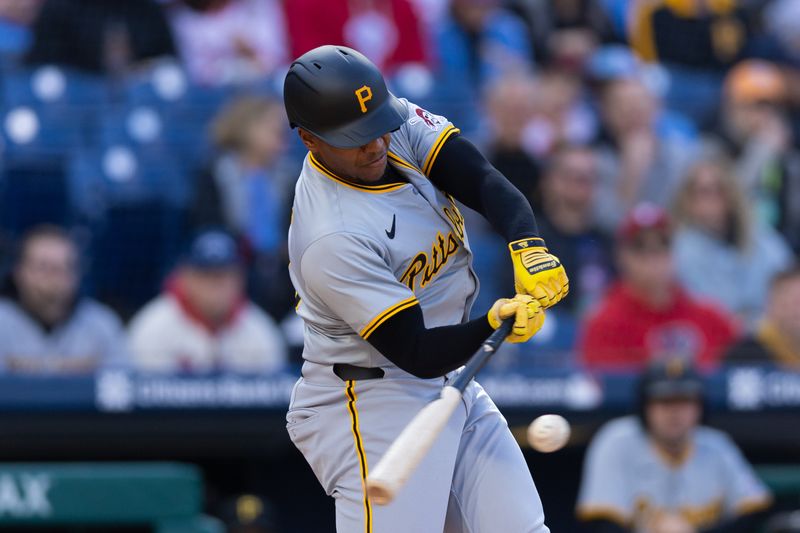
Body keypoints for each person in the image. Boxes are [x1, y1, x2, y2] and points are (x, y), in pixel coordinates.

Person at [283, 45, 568, 532]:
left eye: (377, 126)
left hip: (447, 378)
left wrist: (527, 245)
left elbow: (480, 179)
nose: (375, 145)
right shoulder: (329, 235)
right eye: (355, 138)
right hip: (368, 398)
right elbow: (413, 349)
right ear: (310, 139)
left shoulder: (388, 123)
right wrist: (492, 324)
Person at [576, 357, 772, 532]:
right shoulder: (616, 441)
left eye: (684, 401)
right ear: (644, 407)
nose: (674, 412)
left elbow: (755, 511)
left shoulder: (717, 445)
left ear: (699, 408)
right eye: (664, 401)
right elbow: (600, 523)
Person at [581, 203, 738, 371]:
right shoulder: (604, 324)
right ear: (621, 256)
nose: (652, 257)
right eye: (640, 247)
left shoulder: (712, 318)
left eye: (662, 245)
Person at [190, 94, 293, 319]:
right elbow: (208, 228)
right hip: (233, 270)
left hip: (283, 276)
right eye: (274, 129)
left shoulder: (290, 177)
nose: (283, 137)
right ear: (249, 128)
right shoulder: (215, 173)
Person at [128, 229, 287, 375]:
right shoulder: (152, 328)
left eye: (223, 275)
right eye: (205, 275)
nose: (214, 286)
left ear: (240, 278)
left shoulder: (260, 331)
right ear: (184, 277)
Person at [672, 156, 793, 326]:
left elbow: (787, 282)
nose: (712, 199)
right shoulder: (680, 250)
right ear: (687, 200)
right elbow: (704, 308)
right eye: (703, 192)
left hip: (770, 334)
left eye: (719, 190)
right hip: (717, 341)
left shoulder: (761, 236)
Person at [0, 225, 126, 374]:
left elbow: (124, 386)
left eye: (66, 268)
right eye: (44, 268)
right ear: (19, 272)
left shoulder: (102, 324)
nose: (55, 281)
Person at [711, 60, 800, 254]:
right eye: (754, 106)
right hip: (726, 250)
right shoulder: (712, 146)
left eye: (772, 107)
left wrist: (784, 161)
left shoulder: (788, 153)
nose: (764, 116)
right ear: (731, 109)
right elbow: (725, 204)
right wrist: (760, 153)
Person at [592, 77, 696, 232]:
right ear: (606, 114)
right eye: (622, 105)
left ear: (658, 107)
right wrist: (631, 172)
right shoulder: (597, 163)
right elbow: (608, 227)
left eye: (639, 103)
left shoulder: (685, 156)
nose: (632, 111)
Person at [166, 0, 289, 86]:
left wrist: (249, 51)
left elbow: (276, 57)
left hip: (264, 89)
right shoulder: (184, 18)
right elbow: (198, 73)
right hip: (215, 97)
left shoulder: (260, 5)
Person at [726, 267, 800, 369]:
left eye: (798, 302)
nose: (795, 311)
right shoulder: (744, 355)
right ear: (769, 306)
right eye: (786, 303)